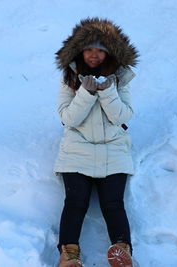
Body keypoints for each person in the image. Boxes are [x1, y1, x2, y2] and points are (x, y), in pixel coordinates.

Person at [54, 17, 139, 267]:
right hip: (77, 149)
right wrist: (86, 93)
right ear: (80, 51)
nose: (94, 55)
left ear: (108, 52)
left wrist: (108, 90)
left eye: (100, 50)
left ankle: (123, 252)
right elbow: (68, 118)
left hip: (113, 149)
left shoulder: (121, 78)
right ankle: (68, 255)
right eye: (89, 49)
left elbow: (122, 116)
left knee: (113, 203)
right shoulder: (69, 77)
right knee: (75, 202)